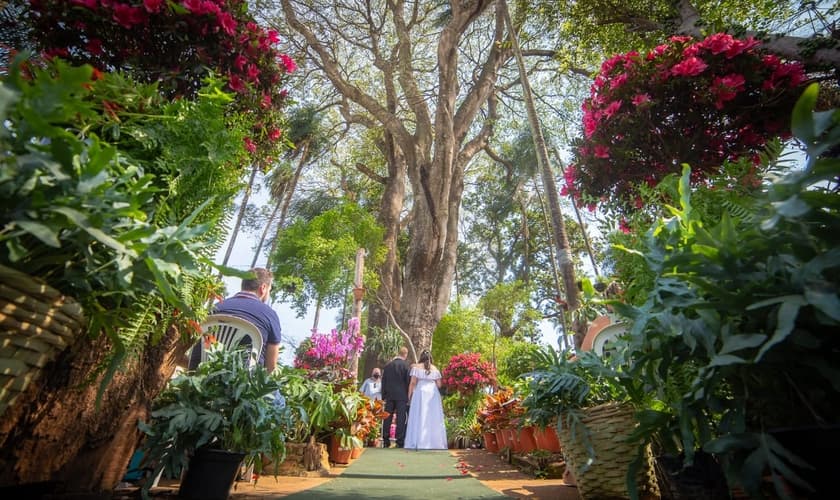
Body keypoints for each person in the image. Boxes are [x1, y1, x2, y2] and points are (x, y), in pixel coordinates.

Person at [213, 267, 282, 372]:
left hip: (205, 375)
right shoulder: (270, 315)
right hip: (244, 383)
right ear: (263, 288)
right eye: (269, 290)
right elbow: (270, 367)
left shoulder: (217, 307)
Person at [404, 350, 447, 450]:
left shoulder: (416, 368)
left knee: (419, 415)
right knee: (433, 416)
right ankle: (433, 442)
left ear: (421, 357)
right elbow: (439, 384)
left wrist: (409, 396)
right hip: (433, 393)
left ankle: (418, 441)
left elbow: (413, 383)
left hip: (420, 392)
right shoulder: (435, 368)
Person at [381, 346, 410, 448]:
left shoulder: (388, 366)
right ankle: (399, 441)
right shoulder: (406, 366)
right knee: (401, 418)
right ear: (405, 355)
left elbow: (383, 381)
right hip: (402, 396)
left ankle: (385, 440)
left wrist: (383, 395)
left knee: (387, 417)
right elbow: (408, 382)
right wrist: (408, 395)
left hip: (389, 395)